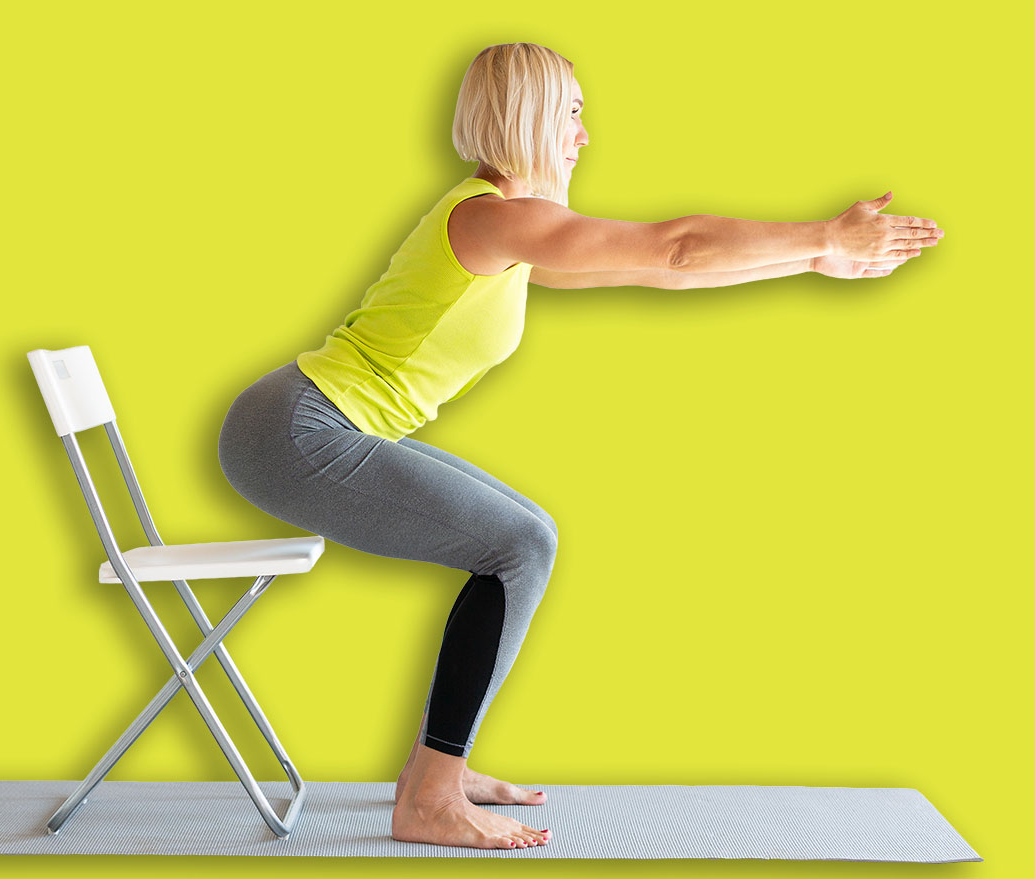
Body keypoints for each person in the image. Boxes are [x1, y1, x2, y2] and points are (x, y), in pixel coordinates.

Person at [218, 42, 944, 851]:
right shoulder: (493, 217)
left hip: (308, 420)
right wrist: (824, 233)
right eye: (571, 112)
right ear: (527, 115)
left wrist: (816, 258)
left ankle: (436, 770)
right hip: (297, 431)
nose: (583, 134)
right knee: (519, 543)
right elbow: (674, 245)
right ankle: (429, 793)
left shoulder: (509, 226)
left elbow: (667, 271)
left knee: (522, 531)